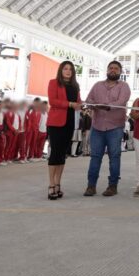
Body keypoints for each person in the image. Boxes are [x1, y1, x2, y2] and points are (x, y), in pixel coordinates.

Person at [84, 60, 130, 197]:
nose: (113, 70)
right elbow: (88, 99)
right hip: (97, 126)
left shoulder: (124, 86)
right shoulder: (97, 85)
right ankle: (91, 186)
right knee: (95, 157)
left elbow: (121, 102)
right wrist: (93, 104)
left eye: (116, 68)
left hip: (115, 127)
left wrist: (105, 105)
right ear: (107, 70)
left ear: (120, 72)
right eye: (111, 68)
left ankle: (112, 186)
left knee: (114, 157)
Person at [47, 61, 81, 200]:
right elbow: (52, 101)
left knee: (62, 154)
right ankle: (51, 184)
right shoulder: (53, 83)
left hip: (69, 122)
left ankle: (58, 183)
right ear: (61, 70)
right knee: (55, 153)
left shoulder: (75, 85)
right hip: (56, 123)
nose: (68, 71)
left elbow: (78, 101)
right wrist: (70, 104)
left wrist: (80, 104)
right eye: (65, 69)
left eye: (70, 69)